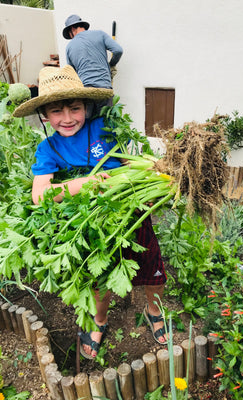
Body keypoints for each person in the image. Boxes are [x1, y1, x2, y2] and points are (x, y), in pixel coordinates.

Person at [13, 65, 168, 360]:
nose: (68, 118)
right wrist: (85, 183)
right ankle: (99, 322)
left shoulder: (105, 128)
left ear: (87, 106)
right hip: (93, 226)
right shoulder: (48, 149)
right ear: (44, 115)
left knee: (153, 272)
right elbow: (40, 195)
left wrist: (152, 177)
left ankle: (153, 311)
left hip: (131, 213)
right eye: (57, 111)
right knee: (100, 280)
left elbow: (127, 165)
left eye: (75, 108)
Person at [62, 14, 123, 116]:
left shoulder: (69, 47)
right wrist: (111, 65)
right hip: (104, 89)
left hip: (85, 92)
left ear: (72, 29)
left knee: (86, 125)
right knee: (106, 124)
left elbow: (71, 73)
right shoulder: (100, 34)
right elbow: (118, 50)